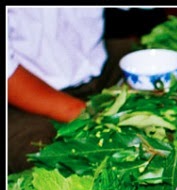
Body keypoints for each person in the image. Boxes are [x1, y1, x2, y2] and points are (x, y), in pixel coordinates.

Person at [6, 6, 166, 174]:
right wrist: (88, 115)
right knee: (48, 157)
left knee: (158, 60)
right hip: (25, 92)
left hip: (93, 63)